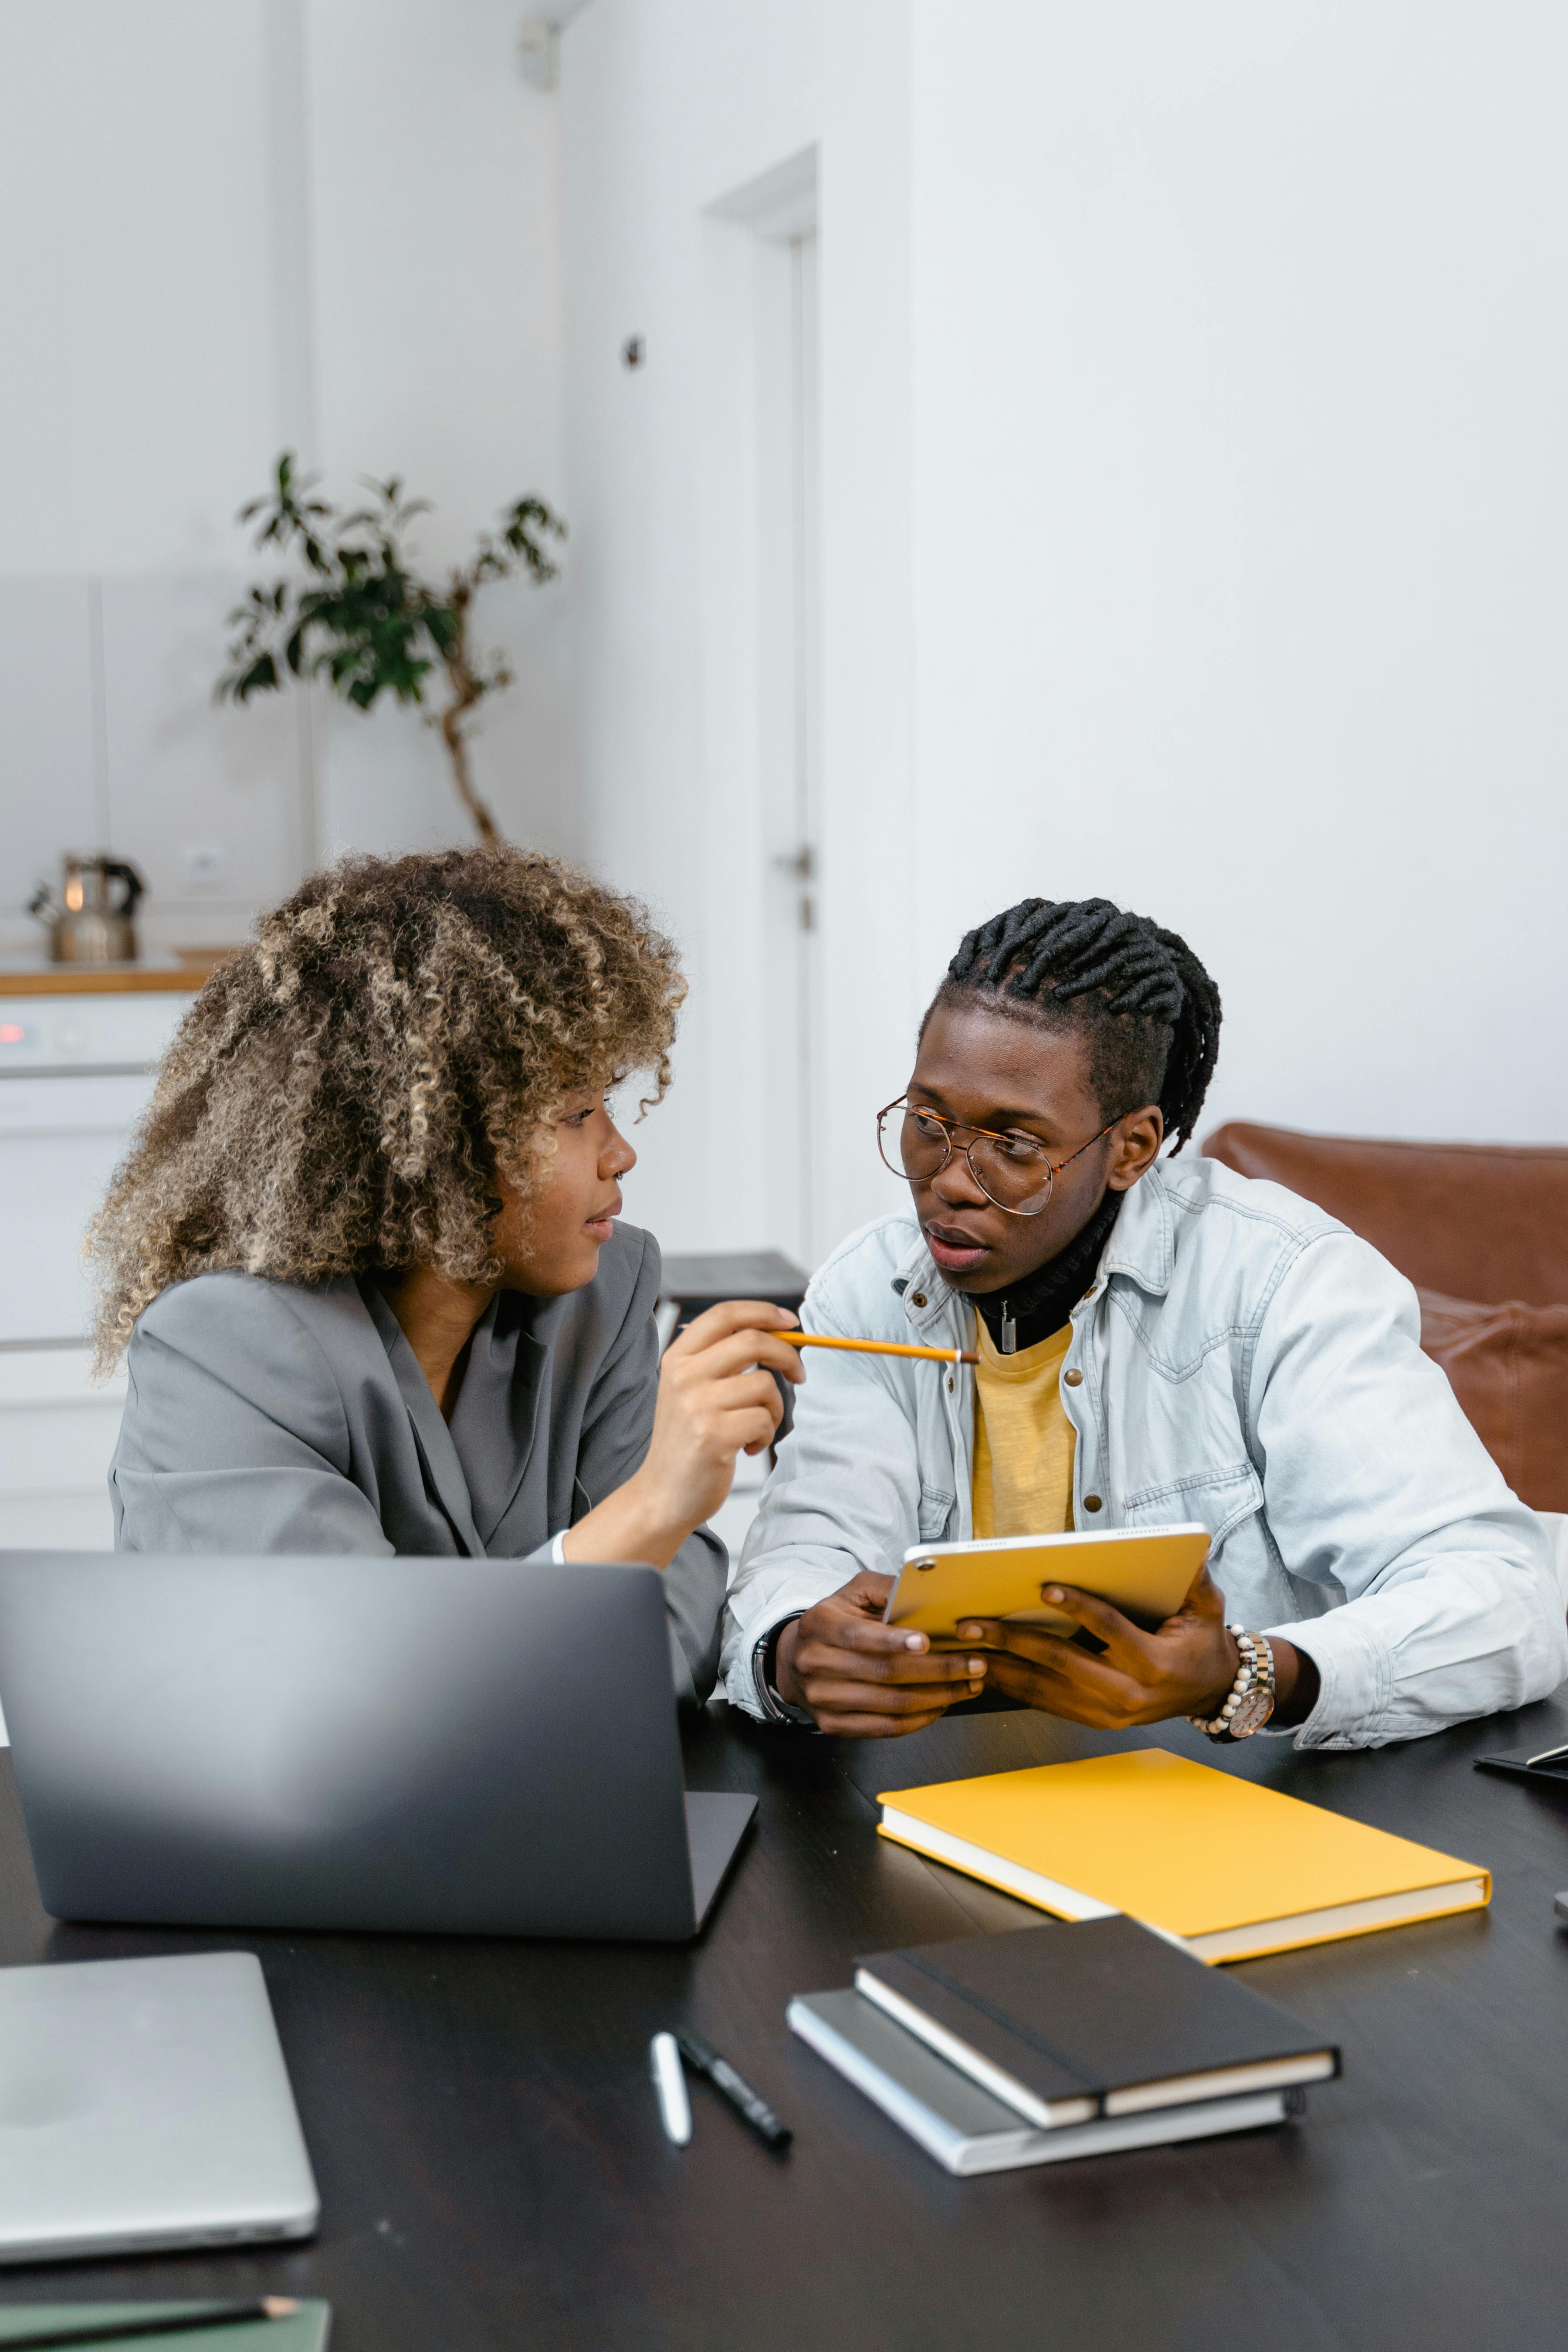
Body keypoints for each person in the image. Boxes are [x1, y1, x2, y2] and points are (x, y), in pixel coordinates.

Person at [722, 895, 1567, 1746]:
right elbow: (807, 1548)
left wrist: (1245, 1674)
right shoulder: (870, 1290)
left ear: (1131, 1147)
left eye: (1013, 1146)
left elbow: (1505, 1598)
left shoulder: (1284, 1281)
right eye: (928, 1122)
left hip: (1238, 1815)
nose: (948, 1180)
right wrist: (792, 1648)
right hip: (945, 1814)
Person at [95, 846, 801, 1703]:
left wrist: (637, 1554)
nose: (621, 1152)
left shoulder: (603, 1294)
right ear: (437, 1149)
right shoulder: (224, 1350)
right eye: (576, 1115)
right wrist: (646, 1513)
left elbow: (677, 1629)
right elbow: (336, 1698)